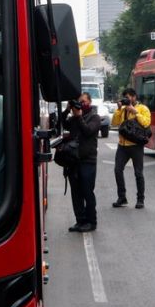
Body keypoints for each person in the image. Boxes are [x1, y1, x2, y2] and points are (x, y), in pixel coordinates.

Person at [60, 92, 101, 232]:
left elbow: (88, 131)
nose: (81, 104)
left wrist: (79, 117)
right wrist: (67, 110)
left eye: (83, 101)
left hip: (88, 161)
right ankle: (80, 220)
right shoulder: (73, 118)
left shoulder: (95, 117)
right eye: (79, 102)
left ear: (89, 102)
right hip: (73, 161)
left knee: (87, 192)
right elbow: (61, 123)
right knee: (76, 193)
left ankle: (91, 222)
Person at [110, 87, 151, 210]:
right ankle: (122, 197)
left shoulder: (143, 108)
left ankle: (140, 199)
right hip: (122, 146)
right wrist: (118, 109)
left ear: (134, 97)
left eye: (128, 97)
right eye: (125, 98)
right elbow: (114, 122)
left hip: (136, 146)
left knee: (138, 173)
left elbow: (146, 123)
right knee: (118, 170)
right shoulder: (122, 109)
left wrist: (135, 112)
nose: (126, 100)